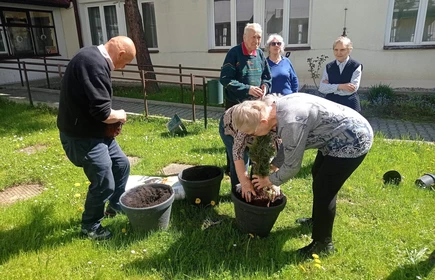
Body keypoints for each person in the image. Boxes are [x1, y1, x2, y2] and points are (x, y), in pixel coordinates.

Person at [231, 93, 373, 257]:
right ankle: (317, 219)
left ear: (262, 122)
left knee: (324, 189)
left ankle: (323, 244)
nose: (252, 137)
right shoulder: (276, 108)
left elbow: (292, 167)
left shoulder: (290, 122)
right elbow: (291, 145)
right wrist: (275, 165)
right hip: (335, 137)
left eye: (252, 133)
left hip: (353, 140)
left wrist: (268, 180)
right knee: (318, 174)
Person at [57, 36, 136, 240]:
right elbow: (102, 112)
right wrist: (121, 114)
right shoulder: (92, 64)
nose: (122, 67)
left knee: (121, 165)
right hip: (81, 136)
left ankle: (114, 207)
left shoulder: (93, 59)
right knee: (103, 182)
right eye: (125, 62)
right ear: (119, 54)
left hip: (95, 133)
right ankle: (90, 225)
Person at [219, 22, 272, 182]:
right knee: (238, 146)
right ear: (244, 37)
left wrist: (265, 87)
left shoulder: (261, 54)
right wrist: (248, 89)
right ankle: (238, 180)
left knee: (253, 144)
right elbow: (225, 79)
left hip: (256, 109)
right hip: (236, 109)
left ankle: (253, 179)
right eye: (253, 37)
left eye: (259, 37)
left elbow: (267, 76)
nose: (256, 41)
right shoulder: (234, 53)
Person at [219, 101, 281, 199]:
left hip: (257, 129)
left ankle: (256, 189)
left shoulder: (277, 125)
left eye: (252, 133)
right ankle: (240, 193)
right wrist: (244, 182)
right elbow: (237, 152)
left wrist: (274, 180)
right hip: (231, 127)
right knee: (242, 161)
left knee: (261, 155)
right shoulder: (245, 126)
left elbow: (281, 155)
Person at [318, 36, 363, 112]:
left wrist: (331, 87)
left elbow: (352, 89)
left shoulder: (356, 66)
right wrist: (341, 86)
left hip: (350, 105)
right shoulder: (329, 67)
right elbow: (322, 88)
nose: (338, 53)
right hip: (331, 105)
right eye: (336, 50)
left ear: (349, 50)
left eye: (342, 50)